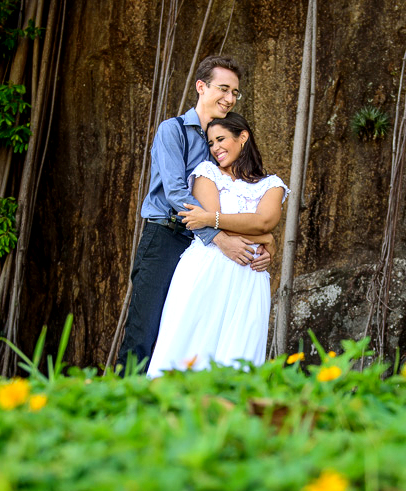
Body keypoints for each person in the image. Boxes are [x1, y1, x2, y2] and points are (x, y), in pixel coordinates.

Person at [116, 55, 272, 373]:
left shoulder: (227, 142)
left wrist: (265, 243)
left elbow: (242, 199)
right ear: (201, 87)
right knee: (144, 332)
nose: (229, 98)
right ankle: (121, 410)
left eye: (235, 93)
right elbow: (175, 194)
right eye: (223, 89)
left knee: (184, 336)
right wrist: (219, 238)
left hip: (202, 253)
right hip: (166, 238)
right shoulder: (173, 131)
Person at [146, 112, 288, 377]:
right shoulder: (206, 173)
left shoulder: (272, 185)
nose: (215, 148)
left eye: (221, 139)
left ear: (242, 137)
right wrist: (263, 239)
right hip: (204, 271)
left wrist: (265, 235)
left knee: (239, 358)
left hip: (249, 278)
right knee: (184, 350)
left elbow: (263, 221)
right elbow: (216, 227)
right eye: (211, 143)